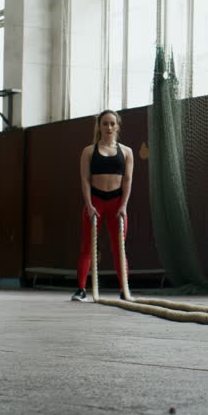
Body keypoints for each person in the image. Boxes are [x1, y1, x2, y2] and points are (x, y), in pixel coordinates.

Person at [71, 110, 134, 301]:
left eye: (112, 123)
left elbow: (128, 181)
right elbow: (84, 180)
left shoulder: (126, 152)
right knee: (87, 248)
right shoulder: (89, 151)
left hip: (117, 204)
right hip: (96, 203)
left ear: (117, 126)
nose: (109, 127)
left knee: (119, 248)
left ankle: (125, 289)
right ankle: (81, 289)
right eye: (105, 123)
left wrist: (123, 206)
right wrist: (89, 205)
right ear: (99, 126)